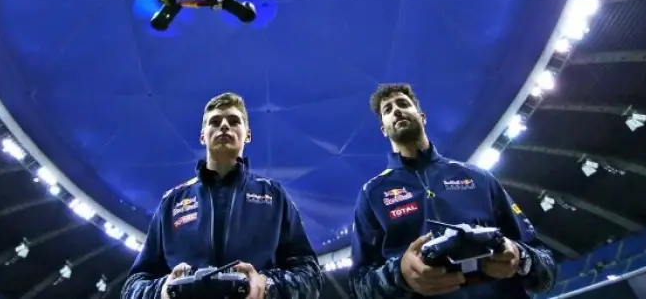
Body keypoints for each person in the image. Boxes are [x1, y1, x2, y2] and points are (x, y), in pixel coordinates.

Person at [349, 83, 557, 298]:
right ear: (384, 130)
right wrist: (399, 274)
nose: (397, 111)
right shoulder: (372, 194)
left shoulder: (479, 177)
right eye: (388, 109)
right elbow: (359, 285)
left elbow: (547, 266)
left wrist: (520, 257)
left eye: (403, 104)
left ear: (422, 117)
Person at [121, 92, 323, 299]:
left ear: (247, 135)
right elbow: (133, 286)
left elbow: (310, 275)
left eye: (234, 121)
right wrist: (164, 290)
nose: (224, 125)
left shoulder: (274, 197)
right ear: (202, 136)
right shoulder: (172, 202)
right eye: (215, 122)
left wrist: (267, 286)